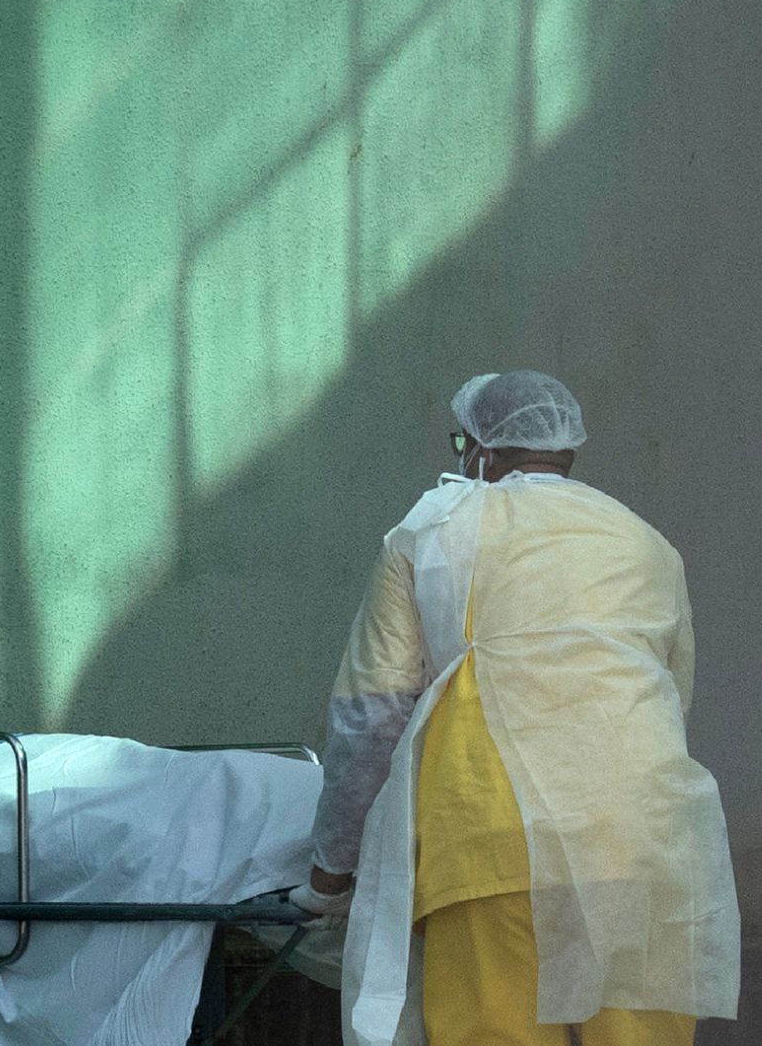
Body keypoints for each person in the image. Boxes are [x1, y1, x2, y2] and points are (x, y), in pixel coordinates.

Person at [291, 372, 739, 1046]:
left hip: (491, 835)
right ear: (567, 450)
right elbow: (672, 700)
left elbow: (374, 715)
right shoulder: (646, 544)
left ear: (481, 450)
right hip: (641, 835)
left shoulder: (433, 529)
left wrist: (330, 877)